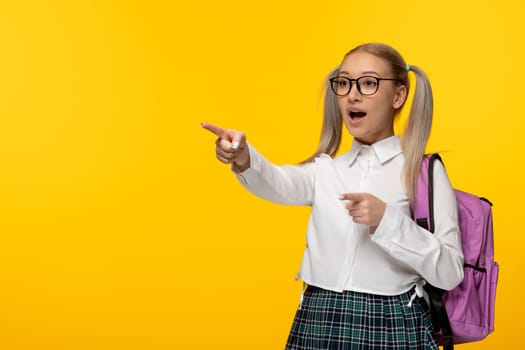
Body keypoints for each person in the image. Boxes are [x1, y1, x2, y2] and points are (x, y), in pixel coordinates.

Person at [201, 43, 464, 349]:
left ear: (398, 95)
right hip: (319, 317)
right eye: (343, 82)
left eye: (368, 83)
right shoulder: (326, 171)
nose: (352, 94)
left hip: (393, 322)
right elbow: (280, 182)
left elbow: (450, 273)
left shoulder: (423, 173)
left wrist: (388, 221)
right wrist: (244, 156)